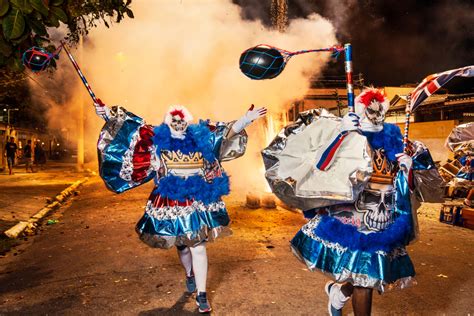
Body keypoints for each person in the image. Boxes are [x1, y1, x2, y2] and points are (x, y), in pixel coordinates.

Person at [263, 87, 441, 315]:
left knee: (370, 276)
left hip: (383, 218)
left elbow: (407, 188)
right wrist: (341, 134)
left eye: (379, 111)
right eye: (370, 110)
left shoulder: (394, 138)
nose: (375, 115)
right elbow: (321, 166)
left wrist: (407, 169)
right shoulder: (347, 132)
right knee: (365, 281)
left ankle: (338, 294)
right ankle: (343, 295)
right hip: (352, 218)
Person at [95, 101, 266, 313]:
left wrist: (246, 119)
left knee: (198, 247)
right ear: (168, 123)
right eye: (174, 121)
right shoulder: (156, 139)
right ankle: (189, 274)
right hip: (171, 199)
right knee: (183, 247)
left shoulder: (200, 138)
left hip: (197, 199)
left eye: (182, 120)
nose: (178, 124)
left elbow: (225, 133)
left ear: (188, 122)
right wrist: (106, 115)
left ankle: (201, 295)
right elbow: (130, 131)